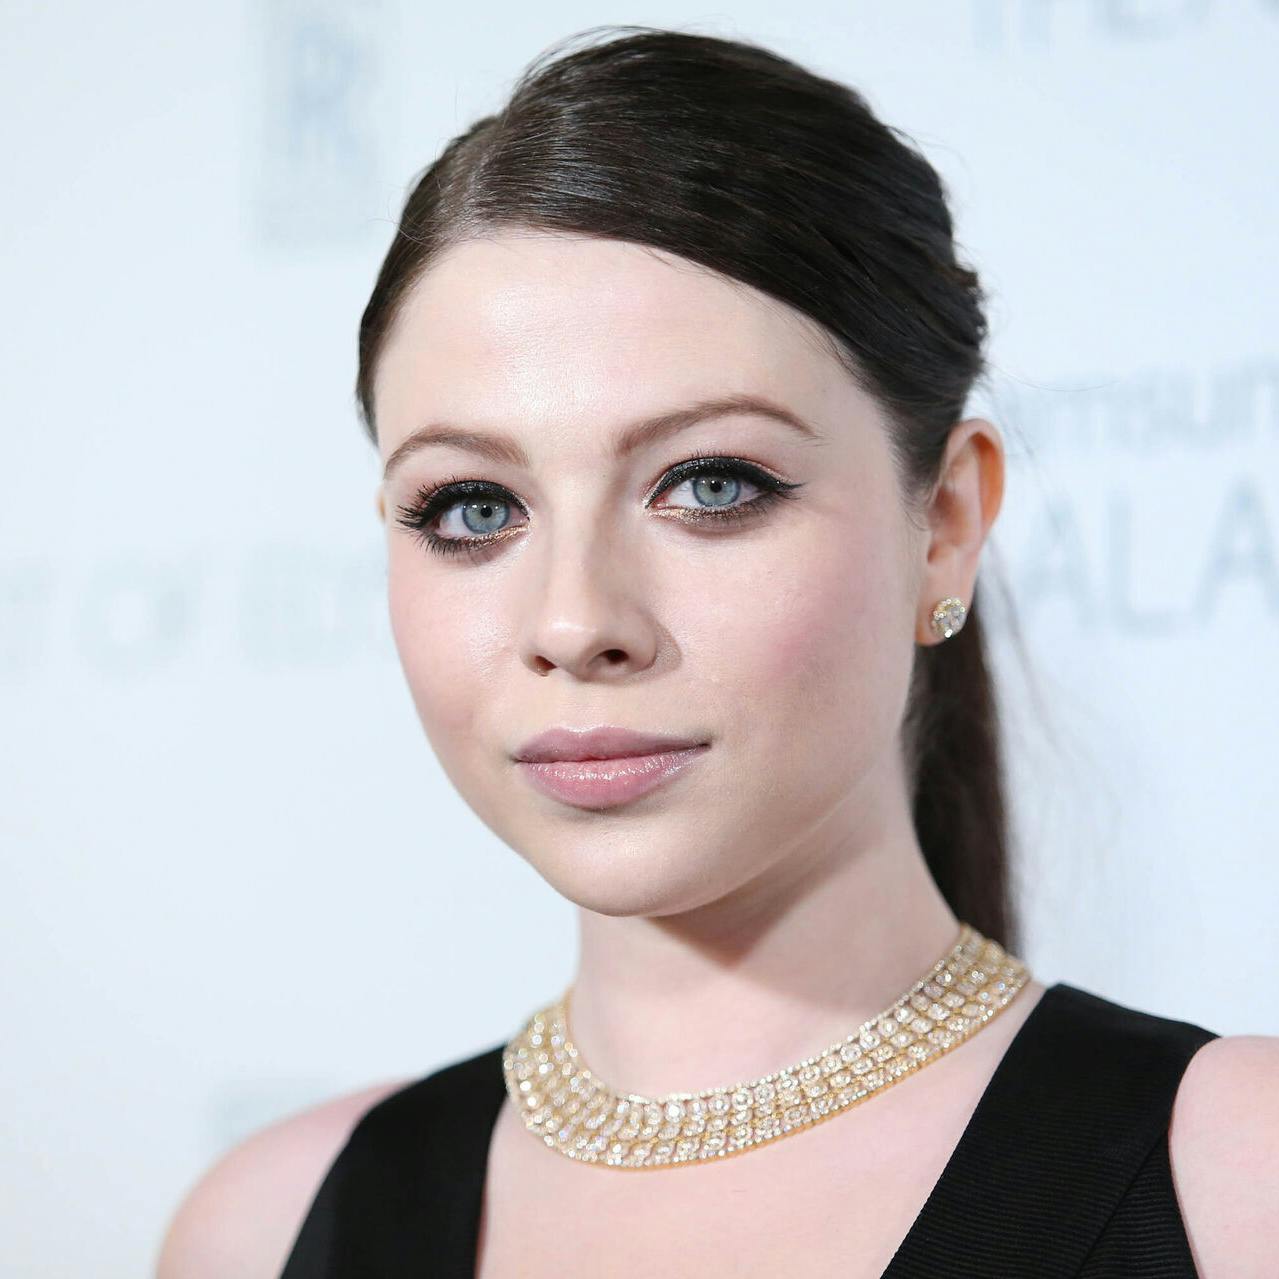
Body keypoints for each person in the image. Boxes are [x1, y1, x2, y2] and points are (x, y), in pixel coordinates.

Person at [155, 25, 1278, 1279]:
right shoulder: (263, 1230)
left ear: (947, 523)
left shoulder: (1240, 1183)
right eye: (473, 507)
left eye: (710, 484)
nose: (574, 622)